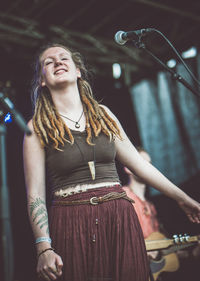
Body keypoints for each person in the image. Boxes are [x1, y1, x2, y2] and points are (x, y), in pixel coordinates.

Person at [23, 43, 200, 281]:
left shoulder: (104, 115)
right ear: (42, 80)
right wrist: (43, 248)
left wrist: (183, 198)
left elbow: (140, 165)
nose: (57, 61)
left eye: (64, 57)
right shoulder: (36, 126)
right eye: (48, 61)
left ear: (78, 71)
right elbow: (35, 194)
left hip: (118, 216)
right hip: (71, 219)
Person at [122, 147, 200, 281]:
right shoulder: (123, 198)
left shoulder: (151, 206)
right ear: (128, 168)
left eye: (150, 164)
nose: (148, 168)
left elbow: (162, 252)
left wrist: (191, 253)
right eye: (143, 163)